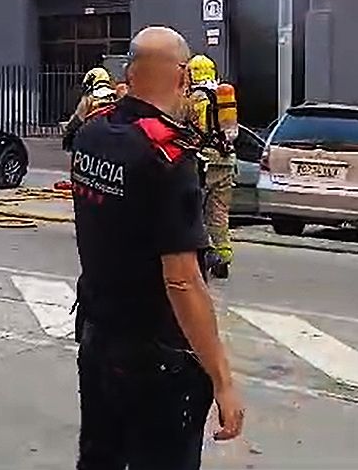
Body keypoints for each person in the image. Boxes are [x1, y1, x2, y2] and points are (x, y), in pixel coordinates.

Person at [70, 26, 245, 470]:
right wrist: (222, 381)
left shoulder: (93, 134)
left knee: (100, 460)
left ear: (129, 71)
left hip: (97, 339)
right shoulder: (168, 158)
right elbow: (183, 280)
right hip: (155, 359)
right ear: (183, 77)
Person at [183, 54, 237, 280]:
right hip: (227, 160)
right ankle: (224, 257)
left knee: (196, 210)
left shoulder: (195, 99)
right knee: (219, 211)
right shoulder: (223, 96)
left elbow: (181, 124)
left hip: (204, 161)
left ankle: (203, 255)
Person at [62, 67, 119, 152]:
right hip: (115, 135)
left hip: (93, 136)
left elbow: (77, 119)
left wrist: (68, 132)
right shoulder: (116, 96)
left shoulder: (89, 98)